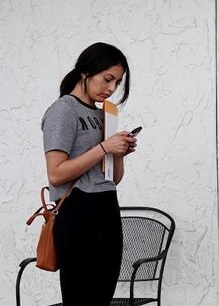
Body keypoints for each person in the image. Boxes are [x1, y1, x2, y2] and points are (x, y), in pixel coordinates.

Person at [41, 42, 138, 305]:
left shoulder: (103, 115)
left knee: (102, 296)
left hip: (106, 205)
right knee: (80, 296)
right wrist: (104, 146)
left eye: (117, 83)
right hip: (76, 210)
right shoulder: (63, 110)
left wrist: (118, 154)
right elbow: (56, 174)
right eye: (107, 79)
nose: (111, 88)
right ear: (85, 72)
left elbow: (112, 179)